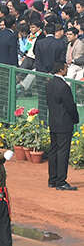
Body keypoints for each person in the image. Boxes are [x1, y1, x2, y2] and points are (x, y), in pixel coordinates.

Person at [45, 61, 79, 191]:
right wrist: (75, 119)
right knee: (63, 152)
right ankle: (61, 181)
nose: (66, 69)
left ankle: (52, 180)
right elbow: (70, 106)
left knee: (53, 151)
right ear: (60, 70)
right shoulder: (64, 86)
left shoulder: (49, 84)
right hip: (64, 123)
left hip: (53, 122)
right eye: (65, 67)